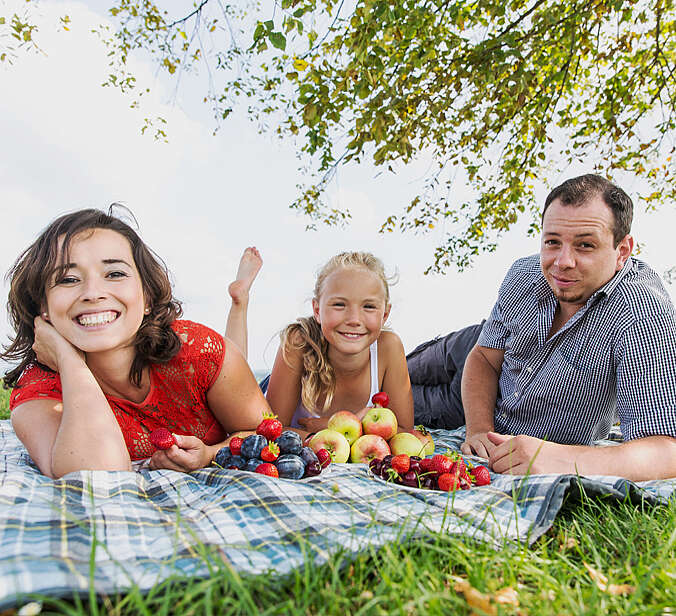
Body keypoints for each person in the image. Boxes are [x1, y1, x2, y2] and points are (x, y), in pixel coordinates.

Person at [413, 174, 676, 481]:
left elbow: (666, 449)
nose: (562, 262)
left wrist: (561, 459)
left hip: (470, 412)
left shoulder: (643, 312)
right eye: (552, 242)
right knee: (384, 368)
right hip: (477, 372)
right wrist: (479, 429)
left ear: (622, 251)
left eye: (585, 245)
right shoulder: (523, 273)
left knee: (384, 395)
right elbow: (483, 358)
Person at [2, 207, 268, 478]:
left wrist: (210, 454)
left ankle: (240, 301)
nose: (93, 293)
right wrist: (69, 361)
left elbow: (267, 435)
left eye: (115, 274)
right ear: (43, 306)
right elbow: (96, 480)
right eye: (68, 279)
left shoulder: (199, 352)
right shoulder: (37, 392)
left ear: (148, 297)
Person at [263, 251, 414, 434]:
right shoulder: (298, 343)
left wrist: (337, 426)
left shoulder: (388, 347)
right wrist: (348, 427)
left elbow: (404, 431)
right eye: (339, 305)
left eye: (368, 307)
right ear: (317, 310)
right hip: (276, 384)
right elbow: (270, 431)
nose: (354, 319)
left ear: (384, 314)